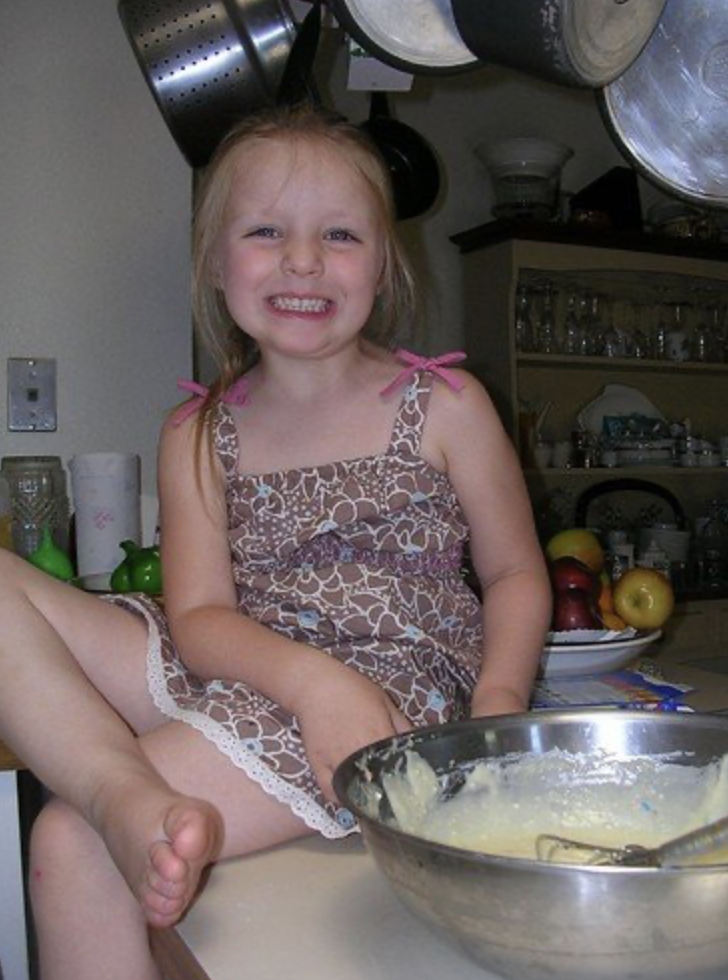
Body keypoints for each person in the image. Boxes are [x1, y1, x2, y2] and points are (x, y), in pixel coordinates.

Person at [0, 104, 551, 980]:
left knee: (67, 845)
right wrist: (305, 677)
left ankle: (100, 810)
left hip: (386, 686)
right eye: (266, 231)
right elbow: (202, 618)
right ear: (217, 263)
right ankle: (117, 788)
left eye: (339, 234)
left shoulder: (446, 408)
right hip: (250, 657)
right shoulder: (195, 430)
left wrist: (497, 706)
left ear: (383, 263)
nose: (304, 260)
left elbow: (517, 572)